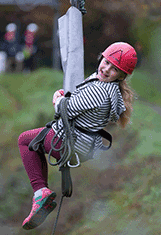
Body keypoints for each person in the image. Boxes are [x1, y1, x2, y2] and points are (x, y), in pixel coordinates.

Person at [18, 42, 138, 230]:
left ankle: (40, 193)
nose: (106, 69)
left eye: (114, 69)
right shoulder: (106, 85)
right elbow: (77, 100)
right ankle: (42, 194)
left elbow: (66, 109)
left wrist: (57, 98)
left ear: (122, 75)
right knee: (35, 142)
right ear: (102, 58)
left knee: (25, 141)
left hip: (70, 142)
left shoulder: (100, 90)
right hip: (81, 145)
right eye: (106, 62)